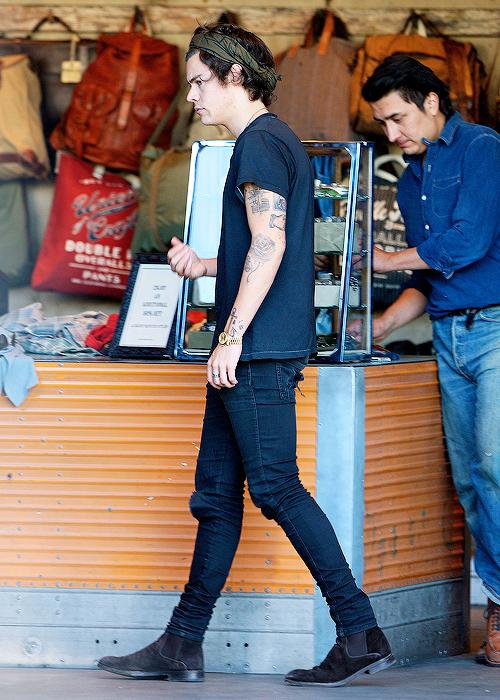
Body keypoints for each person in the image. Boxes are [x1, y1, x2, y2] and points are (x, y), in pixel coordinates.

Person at [97, 22, 394, 687]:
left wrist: (229, 336)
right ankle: (181, 643)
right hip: (258, 345)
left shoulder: (258, 143)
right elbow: (265, 247)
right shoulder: (275, 141)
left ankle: (359, 631)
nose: (192, 97)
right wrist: (205, 264)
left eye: (199, 82)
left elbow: (271, 243)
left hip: (255, 351)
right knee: (217, 495)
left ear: (235, 75)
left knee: (277, 488)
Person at [361, 55, 500, 667]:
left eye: (398, 118)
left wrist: (383, 260)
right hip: (448, 335)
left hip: (495, 329)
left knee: (496, 471)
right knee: (469, 482)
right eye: (383, 124)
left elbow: (467, 242)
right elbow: (429, 275)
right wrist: (379, 326)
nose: (392, 134)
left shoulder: (482, 148)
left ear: (432, 102)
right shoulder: (409, 179)